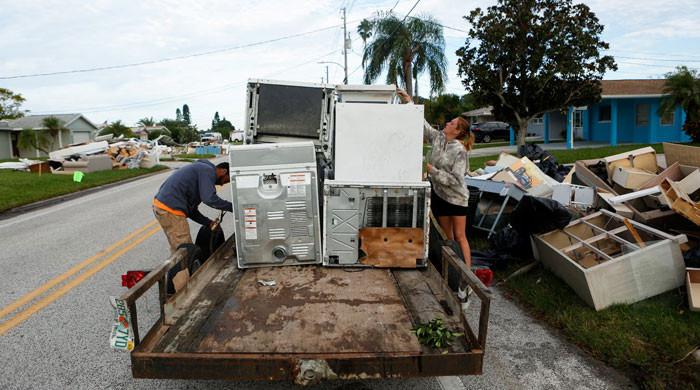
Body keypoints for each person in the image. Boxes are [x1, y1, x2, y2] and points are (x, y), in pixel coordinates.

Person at [398, 89, 474, 268]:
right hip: (441, 196)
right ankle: (453, 272)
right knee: (448, 238)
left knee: (460, 236)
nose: (448, 123)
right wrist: (409, 102)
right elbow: (423, 126)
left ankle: (468, 275)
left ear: (457, 131)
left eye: (452, 123)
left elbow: (456, 180)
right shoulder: (439, 138)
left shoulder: (460, 152)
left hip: (456, 198)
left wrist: (432, 171)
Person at [152, 160, 233, 253]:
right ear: (224, 171)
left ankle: (179, 266)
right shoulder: (207, 171)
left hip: (163, 207)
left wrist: (207, 222)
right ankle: (183, 268)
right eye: (226, 180)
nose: (222, 184)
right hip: (171, 209)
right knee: (185, 251)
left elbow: (191, 210)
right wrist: (233, 207)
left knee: (177, 247)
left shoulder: (201, 171)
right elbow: (209, 199)